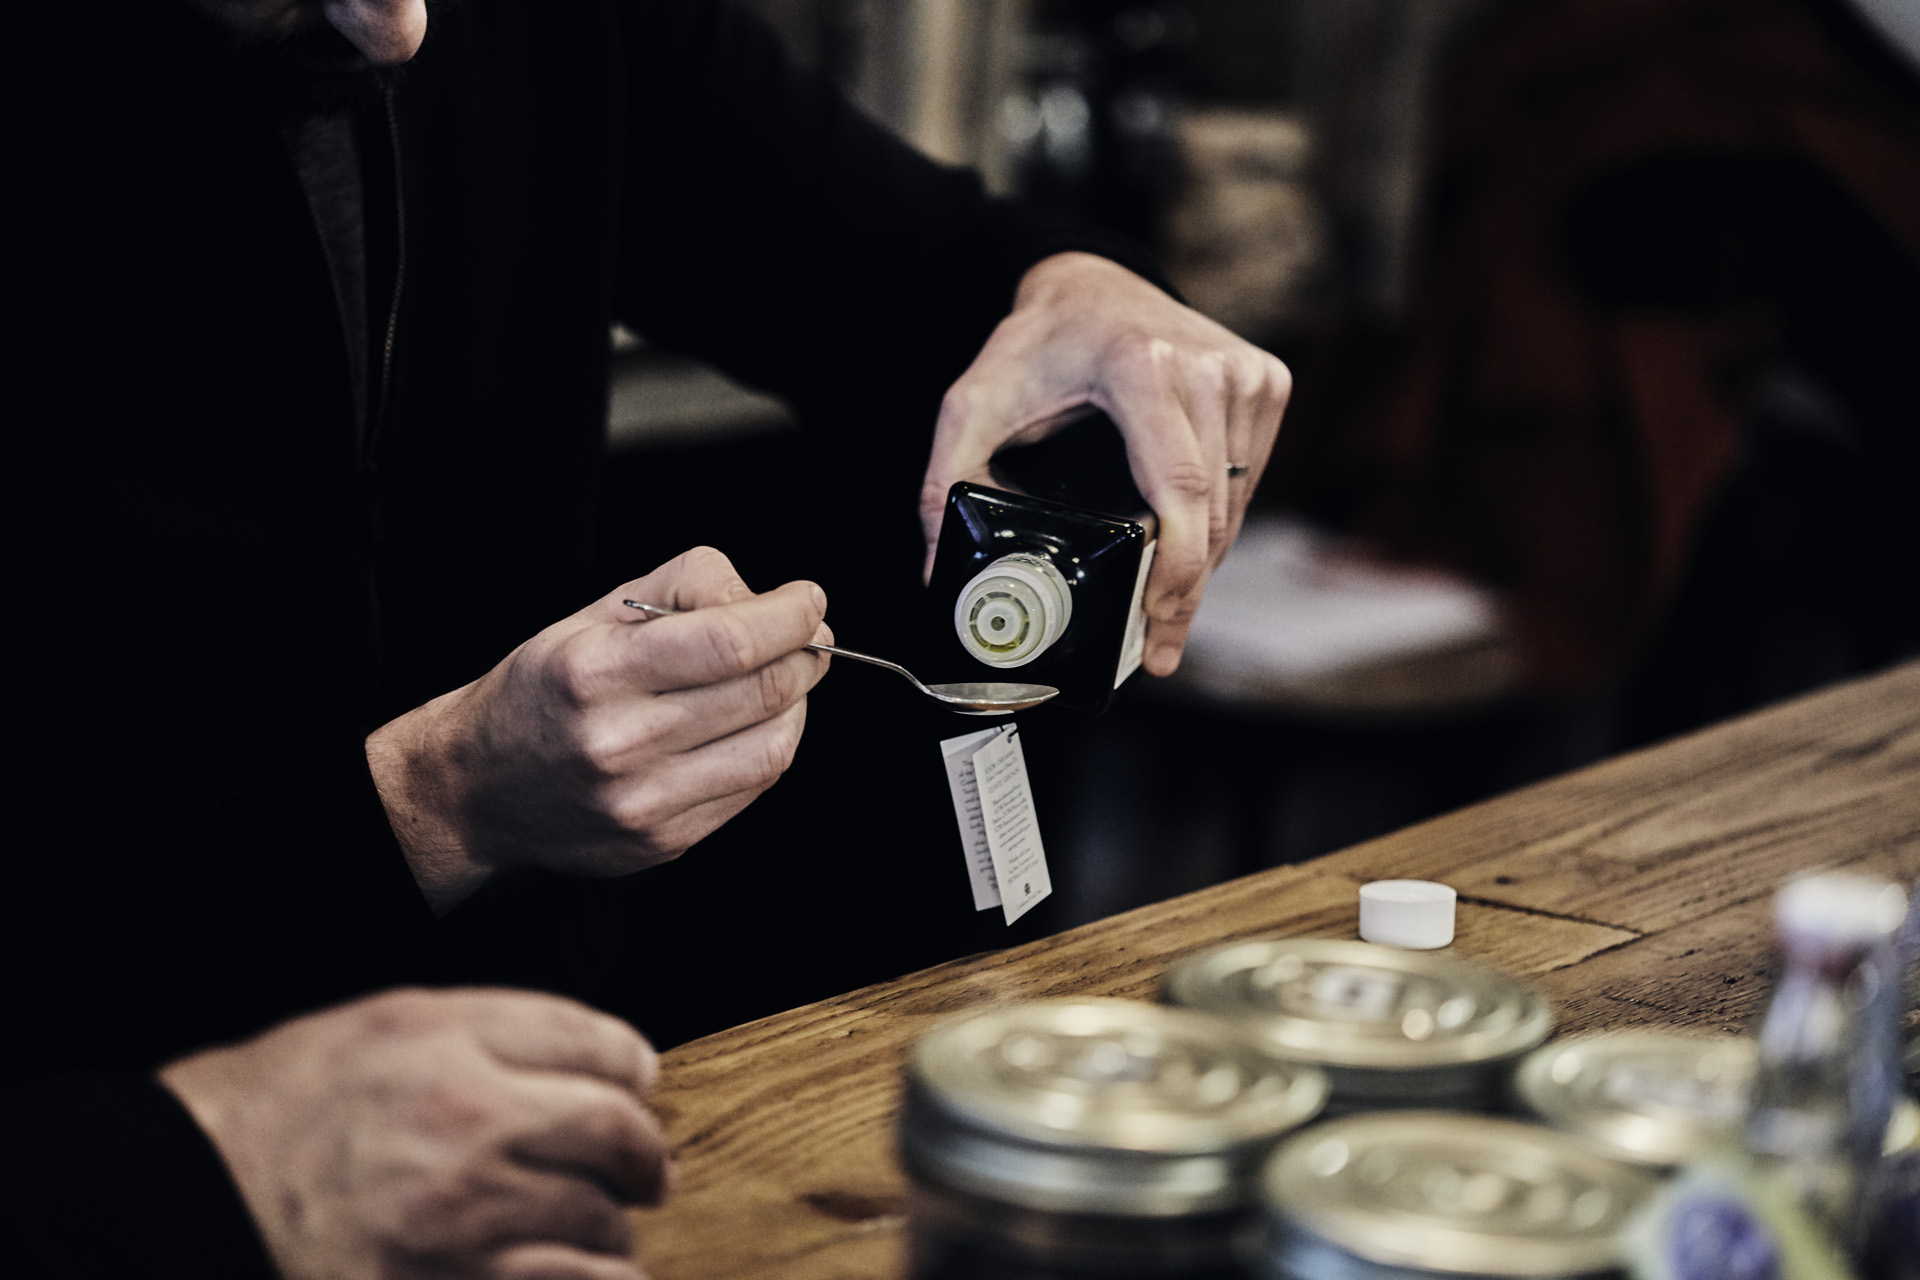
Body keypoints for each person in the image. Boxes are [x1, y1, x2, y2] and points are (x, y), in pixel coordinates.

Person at [5, 0, 1289, 1273]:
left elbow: (914, 266)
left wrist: (1080, 291)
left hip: (550, 1124)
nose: (401, 33)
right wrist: (429, 801)